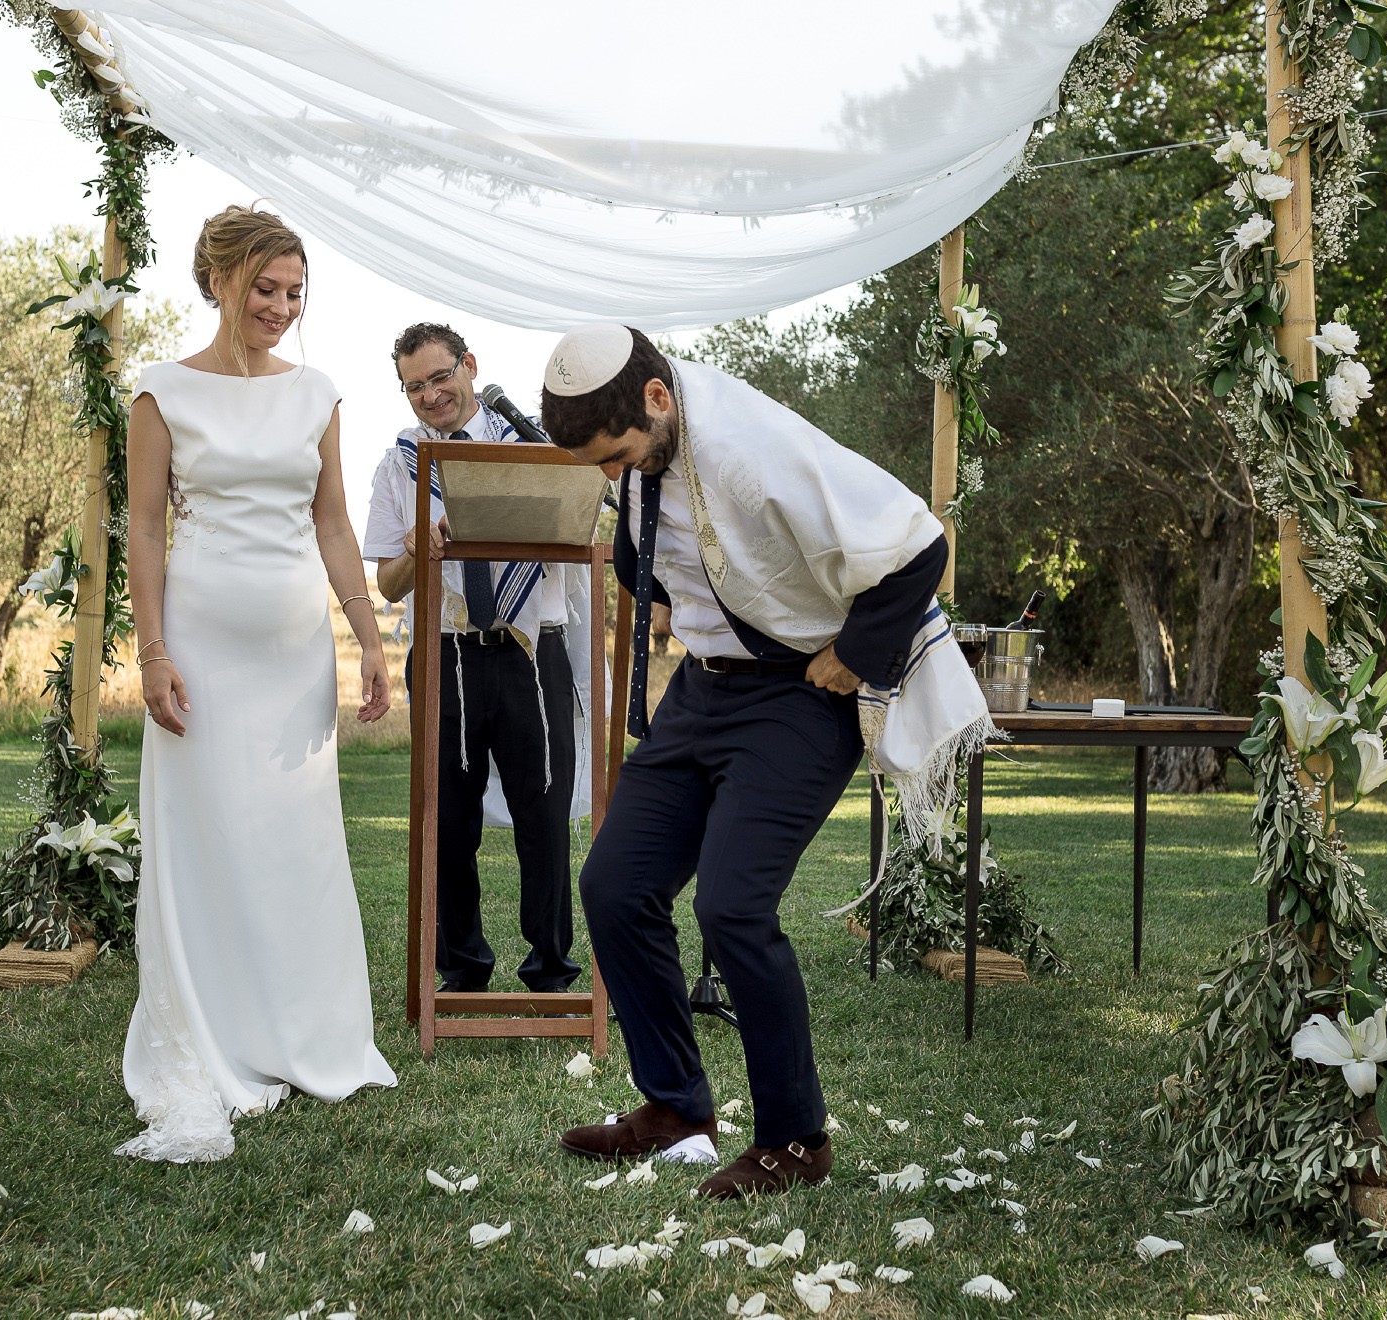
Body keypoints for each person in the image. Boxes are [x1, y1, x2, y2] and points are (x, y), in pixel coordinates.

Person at [540, 325, 988, 1198]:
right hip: (702, 693)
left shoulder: (753, 445)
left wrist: (856, 652)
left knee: (735, 908)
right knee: (615, 886)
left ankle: (795, 1141)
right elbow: (653, 555)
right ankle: (675, 1108)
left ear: (657, 399)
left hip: (796, 696)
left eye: (617, 454)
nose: (614, 475)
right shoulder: (645, 450)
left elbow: (921, 543)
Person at [118, 205, 397, 1162]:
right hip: (198, 643)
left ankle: (305, 1032)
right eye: (264, 290)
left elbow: (332, 527)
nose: (281, 307)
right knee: (209, 837)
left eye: (293, 292)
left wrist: (368, 636)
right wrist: (152, 652)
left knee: (292, 839)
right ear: (219, 282)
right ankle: (211, 1034)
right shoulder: (161, 394)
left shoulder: (317, 394)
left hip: (292, 655)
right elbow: (145, 530)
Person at [362, 323, 586, 995]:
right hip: (446, 653)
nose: (430, 396)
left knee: (542, 819)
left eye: (440, 377)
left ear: (470, 367)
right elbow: (390, 584)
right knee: (448, 823)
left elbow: (579, 535)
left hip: (529, 651)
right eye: (414, 386)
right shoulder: (400, 463)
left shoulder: (536, 447)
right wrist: (418, 549)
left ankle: (550, 970)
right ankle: (462, 967)